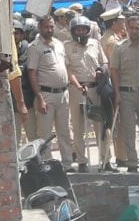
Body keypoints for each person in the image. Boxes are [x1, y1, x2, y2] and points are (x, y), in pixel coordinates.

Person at [22, 14, 75, 163]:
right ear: (40, 27)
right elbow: (32, 73)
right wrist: (39, 98)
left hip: (63, 94)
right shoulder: (35, 47)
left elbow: (65, 66)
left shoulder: (59, 43)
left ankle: (67, 163)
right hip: (45, 95)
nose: (49, 29)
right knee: (44, 134)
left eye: (51, 26)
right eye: (46, 26)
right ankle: (46, 164)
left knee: (64, 131)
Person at [109, 14, 139, 171]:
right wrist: (117, 93)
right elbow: (114, 71)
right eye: (132, 28)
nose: (135, 31)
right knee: (128, 130)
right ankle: (132, 163)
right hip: (126, 94)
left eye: (138, 28)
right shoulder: (119, 48)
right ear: (127, 29)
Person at [63, 16, 107, 168]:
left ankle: (105, 160)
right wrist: (77, 85)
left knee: (99, 125)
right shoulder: (67, 46)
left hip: (95, 89)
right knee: (78, 127)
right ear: (73, 31)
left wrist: (102, 70)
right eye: (77, 29)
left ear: (88, 30)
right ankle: (82, 161)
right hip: (77, 90)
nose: (81, 32)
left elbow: (104, 62)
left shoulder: (95, 44)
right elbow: (68, 70)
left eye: (83, 29)